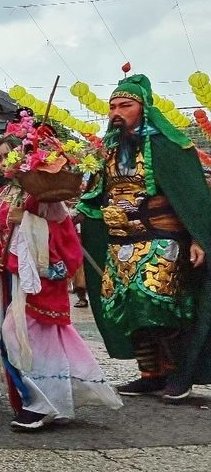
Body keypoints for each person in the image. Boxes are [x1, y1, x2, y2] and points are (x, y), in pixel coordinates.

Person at [77, 72, 211, 402]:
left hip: (162, 239)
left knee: (160, 303)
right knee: (125, 306)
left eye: (125, 105)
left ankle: (181, 373)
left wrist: (198, 238)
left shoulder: (170, 146)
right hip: (120, 241)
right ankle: (151, 373)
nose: (116, 112)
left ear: (144, 108)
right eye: (112, 106)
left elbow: (191, 196)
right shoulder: (106, 150)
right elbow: (95, 195)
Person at [0, 135, 122, 431]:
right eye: (3, 157)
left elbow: (66, 243)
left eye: (13, 156)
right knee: (16, 338)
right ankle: (37, 401)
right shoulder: (3, 194)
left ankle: (43, 404)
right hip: (10, 279)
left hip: (38, 283)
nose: (8, 163)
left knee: (27, 338)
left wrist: (28, 221)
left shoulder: (46, 195)